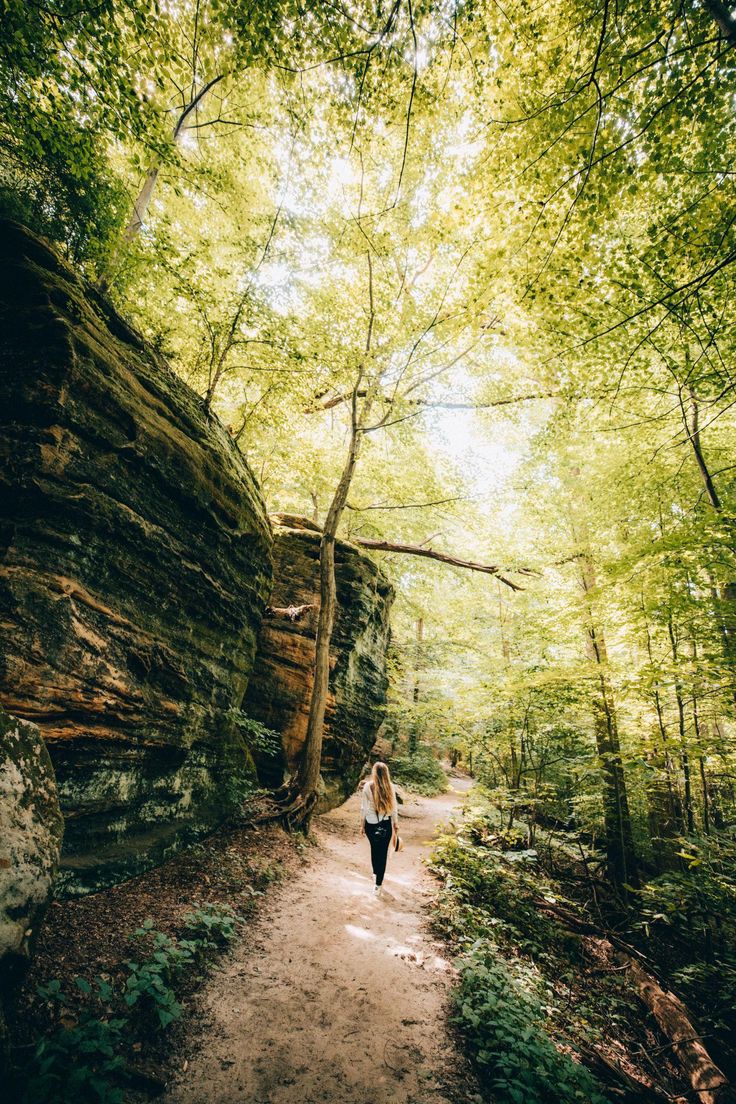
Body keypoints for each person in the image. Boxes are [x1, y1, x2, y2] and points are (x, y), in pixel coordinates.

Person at [360, 761, 399, 898]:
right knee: (382, 854)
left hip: (371, 824)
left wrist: (362, 824)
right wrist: (395, 823)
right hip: (386, 824)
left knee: (374, 850)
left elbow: (363, 808)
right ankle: (378, 884)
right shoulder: (391, 787)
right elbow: (394, 807)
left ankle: (376, 874)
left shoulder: (367, 786)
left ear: (374, 773)